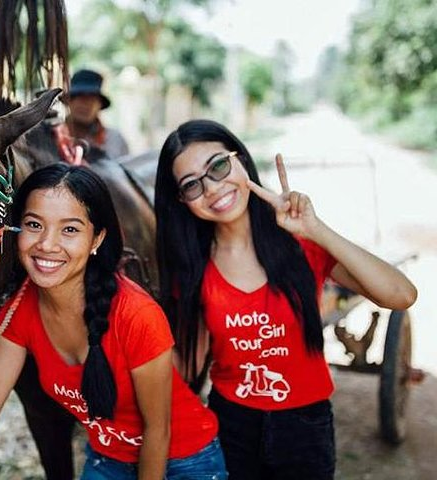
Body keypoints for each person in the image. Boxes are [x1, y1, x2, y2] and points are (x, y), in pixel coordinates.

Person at [153, 119, 418, 480]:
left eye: (218, 166)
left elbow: (401, 294)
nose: (212, 188)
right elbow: (186, 369)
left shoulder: (300, 244)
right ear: (181, 201)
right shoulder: (193, 270)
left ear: (241, 160)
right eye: (191, 185)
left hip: (305, 428)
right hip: (231, 425)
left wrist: (316, 229)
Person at [0, 163, 226, 479]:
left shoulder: (137, 315)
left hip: (186, 458)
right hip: (106, 458)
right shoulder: (22, 307)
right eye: (34, 224)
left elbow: (157, 431)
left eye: (70, 229)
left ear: (96, 239)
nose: (47, 244)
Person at [65, 69, 130, 159]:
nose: (86, 105)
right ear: (69, 102)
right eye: (81, 98)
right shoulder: (53, 138)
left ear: (100, 105)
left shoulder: (114, 140)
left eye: (91, 99)